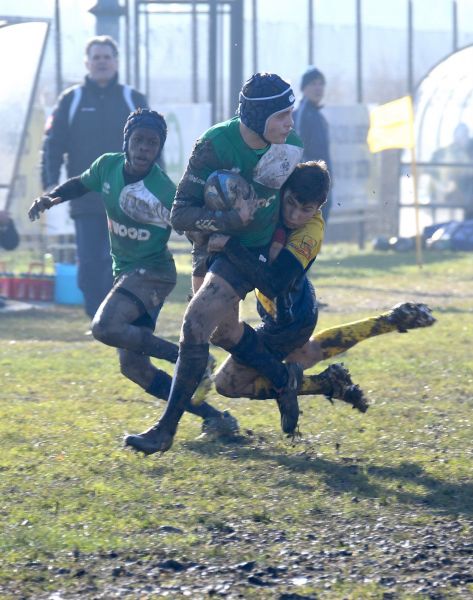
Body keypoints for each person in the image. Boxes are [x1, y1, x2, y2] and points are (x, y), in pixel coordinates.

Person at [125, 72, 306, 455]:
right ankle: (283, 379)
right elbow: (180, 215)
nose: (290, 123)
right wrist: (224, 223)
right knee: (224, 332)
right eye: (282, 115)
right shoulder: (214, 145)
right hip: (213, 244)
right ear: (257, 117)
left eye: (292, 113)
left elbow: (294, 210)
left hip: (250, 251)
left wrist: (281, 253)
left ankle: (165, 431)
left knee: (194, 324)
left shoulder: (290, 147)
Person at [29, 109, 238, 438]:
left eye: (152, 144)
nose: (144, 148)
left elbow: (192, 228)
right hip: (127, 273)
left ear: (159, 149)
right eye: (138, 140)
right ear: (126, 141)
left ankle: (190, 358)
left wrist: (216, 242)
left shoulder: (164, 191)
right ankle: (215, 418)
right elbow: (80, 184)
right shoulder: (107, 166)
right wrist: (52, 198)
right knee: (134, 368)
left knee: (104, 326)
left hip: (153, 272)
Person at [206, 162, 435, 405]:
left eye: (305, 209)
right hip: (291, 303)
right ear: (284, 190)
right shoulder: (273, 199)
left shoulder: (311, 231)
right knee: (306, 353)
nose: (294, 216)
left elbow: (275, 283)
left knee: (227, 383)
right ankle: (385, 323)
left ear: (318, 208)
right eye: (291, 203)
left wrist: (229, 246)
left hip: (290, 317)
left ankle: (324, 383)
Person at [41, 35, 148, 320]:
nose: (102, 62)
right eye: (96, 57)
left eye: (107, 57)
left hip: (127, 199)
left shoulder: (132, 98)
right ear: (87, 63)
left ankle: (123, 317)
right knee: (90, 264)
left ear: (116, 61)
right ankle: (98, 319)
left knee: (124, 263)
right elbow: (53, 144)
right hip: (86, 198)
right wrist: (51, 184)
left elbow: (152, 146)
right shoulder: (71, 100)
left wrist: (149, 187)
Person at [293, 67, 333, 222]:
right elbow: (299, 149)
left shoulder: (317, 114)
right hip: (310, 182)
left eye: (321, 84)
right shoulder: (301, 114)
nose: (318, 88)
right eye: (313, 84)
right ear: (304, 88)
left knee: (318, 229)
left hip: (322, 180)